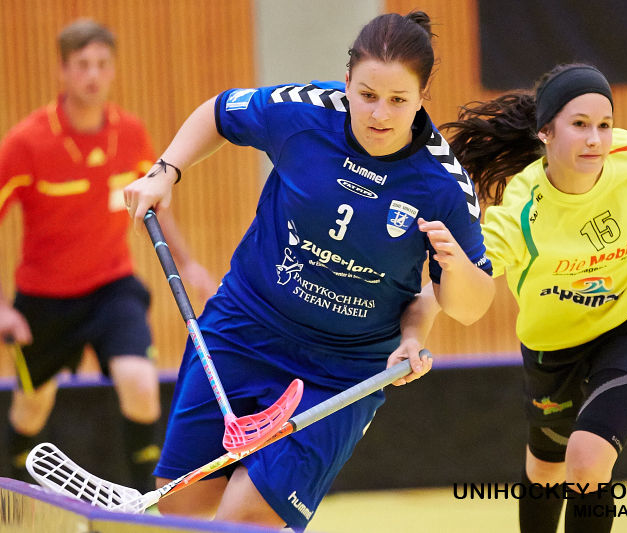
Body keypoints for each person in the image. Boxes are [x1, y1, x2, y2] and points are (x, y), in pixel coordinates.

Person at [123, 10, 494, 530]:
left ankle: (268, 477)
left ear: (422, 96)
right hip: (244, 326)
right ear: (347, 81)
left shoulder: (443, 184)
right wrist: (165, 171)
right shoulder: (302, 112)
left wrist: (454, 269)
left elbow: (471, 306)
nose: (379, 114)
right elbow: (219, 112)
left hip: (341, 371)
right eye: (367, 95)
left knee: (244, 518)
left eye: (398, 100)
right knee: (181, 504)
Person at [442, 63, 627, 533]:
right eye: (579, 124)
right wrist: (431, 296)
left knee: (587, 460)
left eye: (604, 125)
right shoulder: (520, 210)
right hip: (555, 345)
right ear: (546, 131)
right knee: (545, 469)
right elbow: (469, 277)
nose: (596, 139)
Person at [0, 19, 216, 492]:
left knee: (140, 385)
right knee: (31, 408)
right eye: (82, 65)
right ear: (63, 70)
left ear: (113, 69)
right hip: (43, 299)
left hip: (112, 289)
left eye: (102, 64)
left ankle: (145, 506)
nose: (93, 75)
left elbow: (155, 203)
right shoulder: (26, 142)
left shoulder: (130, 134)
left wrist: (189, 264)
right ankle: (12, 499)